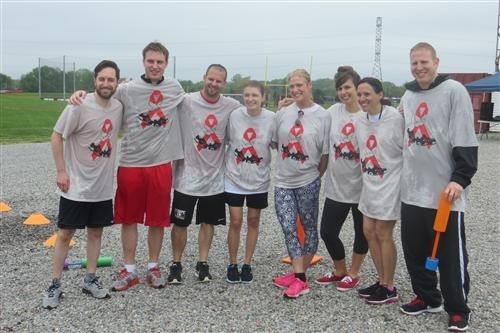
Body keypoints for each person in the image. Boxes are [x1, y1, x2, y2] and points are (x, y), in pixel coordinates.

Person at [69, 42, 185, 291]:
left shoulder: (174, 87)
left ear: (166, 63)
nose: (155, 66)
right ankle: (129, 269)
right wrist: (80, 94)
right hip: (131, 162)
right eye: (150, 61)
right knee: (129, 219)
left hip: (160, 164)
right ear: (143, 62)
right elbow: (102, 97)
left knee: (157, 220)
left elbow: (197, 106)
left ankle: (153, 266)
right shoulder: (127, 89)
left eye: (160, 62)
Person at [399, 42, 478, 332]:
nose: (419, 68)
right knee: (415, 250)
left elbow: (465, 135)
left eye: (424, 62)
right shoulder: (408, 95)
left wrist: (460, 177)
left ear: (436, 62)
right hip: (411, 190)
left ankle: (457, 307)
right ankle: (427, 297)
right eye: (414, 63)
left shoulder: (453, 91)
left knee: (449, 255)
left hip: (444, 193)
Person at [42, 60, 123, 309]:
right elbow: (56, 136)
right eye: (102, 79)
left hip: (101, 187)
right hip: (76, 185)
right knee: (65, 234)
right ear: (94, 80)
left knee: (96, 233)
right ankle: (55, 283)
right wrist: (61, 170)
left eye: (111, 80)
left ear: (117, 82)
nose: (106, 84)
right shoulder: (78, 106)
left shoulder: (119, 107)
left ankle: (90, 278)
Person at [167, 64, 240, 284]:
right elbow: (156, 101)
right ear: (204, 78)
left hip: (214, 179)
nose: (213, 84)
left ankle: (203, 263)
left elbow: (254, 114)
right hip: (186, 177)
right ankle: (176, 263)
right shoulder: (187, 101)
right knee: (180, 223)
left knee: (208, 223)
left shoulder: (232, 106)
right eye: (211, 79)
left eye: (218, 81)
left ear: (224, 84)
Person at [272, 69, 330, 299]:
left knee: (308, 227)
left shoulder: (322, 115)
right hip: (283, 180)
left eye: (300, 85)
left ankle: (300, 275)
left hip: (308, 179)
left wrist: (317, 177)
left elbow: (324, 154)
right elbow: (275, 143)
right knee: (288, 225)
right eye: (292, 86)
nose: (295, 90)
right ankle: (299, 276)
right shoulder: (284, 113)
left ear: (309, 85)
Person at [315, 66, 369, 292]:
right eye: (340, 88)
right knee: (327, 231)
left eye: (347, 87)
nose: (344, 92)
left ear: (357, 88)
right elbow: (311, 118)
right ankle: (340, 269)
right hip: (337, 186)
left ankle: (354, 272)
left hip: (363, 187)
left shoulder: (368, 115)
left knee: (361, 232)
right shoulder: (332, 112)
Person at [355, 77, 403, 305]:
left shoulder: (395, 118)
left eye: (367, 94)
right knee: (368, 231)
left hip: (390, 183)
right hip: (369, 183)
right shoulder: (359, 119)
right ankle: (381, 279)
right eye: (360, 94)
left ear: (380, 94)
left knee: (383, 233)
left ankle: (390, 286)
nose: (363, 98)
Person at [224, 81, 275, 284]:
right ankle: (233, 263)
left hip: (258, 178)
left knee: (253, 221)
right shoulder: (235, 115)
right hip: (234, 176)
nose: (250, 99)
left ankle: (247, 263)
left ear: (263, 97)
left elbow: (280, 143)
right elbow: (226, 140)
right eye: (247, 95)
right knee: (235, 221)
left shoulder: (272, 118)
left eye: (255, 95)